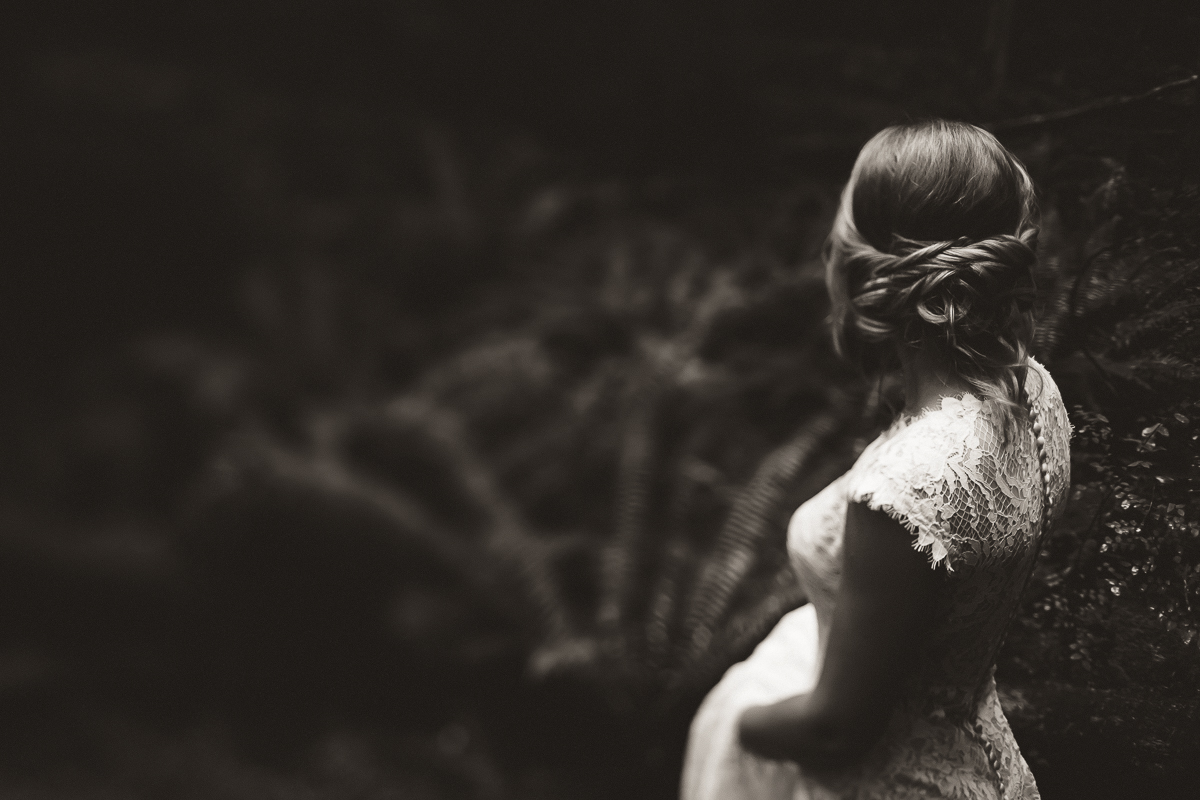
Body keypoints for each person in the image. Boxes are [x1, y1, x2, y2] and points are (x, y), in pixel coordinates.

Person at [680, 119, 1070, 800]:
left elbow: (837, 728)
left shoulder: (904, 490)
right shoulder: (1034, 391)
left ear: (863, 263)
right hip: (989, 767)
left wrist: (737, 724)